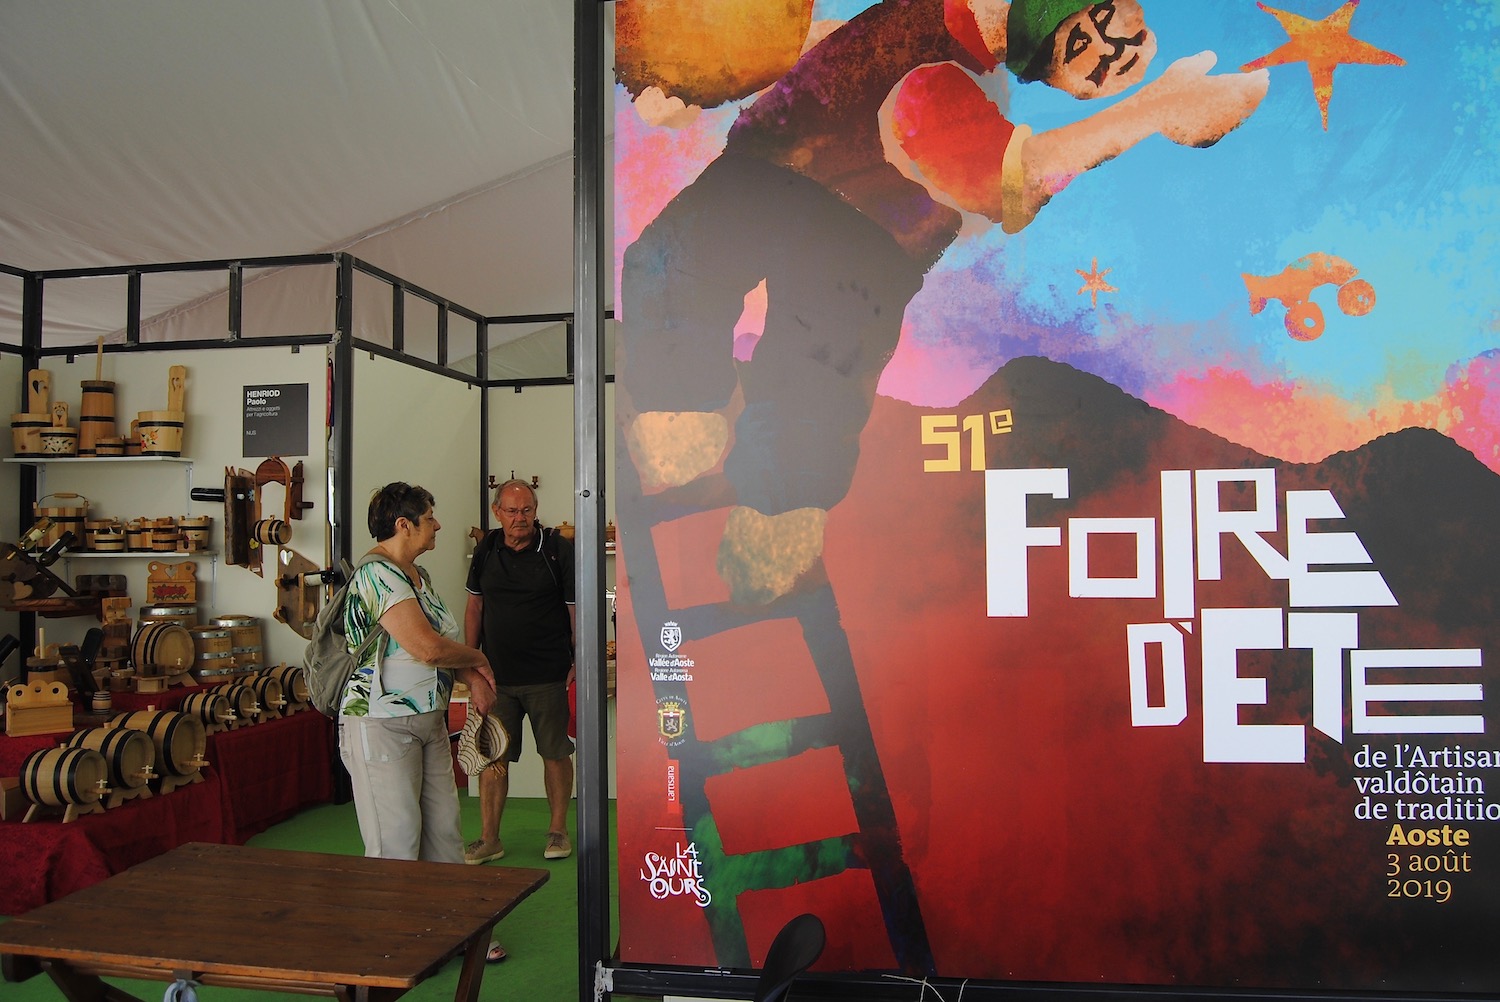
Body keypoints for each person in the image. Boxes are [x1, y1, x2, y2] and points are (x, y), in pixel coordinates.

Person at [619, 0, 1269, 603]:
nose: (1105, 54)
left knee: (810, 376)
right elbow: (826, 49)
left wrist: (1146, 113)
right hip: (778, 168)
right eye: (1094, 39)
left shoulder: (950, 77)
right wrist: (700, 78)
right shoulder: (927, 33)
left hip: (857, 233)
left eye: (1106, 57)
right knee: (678, 267)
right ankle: (687, 417)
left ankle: (771, 512)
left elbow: (1009, 178)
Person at [337, 482, 507, 961]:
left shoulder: (418, 575)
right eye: (430, 518)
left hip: (429, 721)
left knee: (444, 834)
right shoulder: (376, 574)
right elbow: (428, 648)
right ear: (403, 525)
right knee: (396, 838)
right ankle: (396, 947)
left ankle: (455, 933)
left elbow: (441, 643)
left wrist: (472, 678)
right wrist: (478, 659)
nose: (438, 525)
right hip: (379, 724)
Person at [463, 478, 577, 863]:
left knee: (555, 753)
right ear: (497, 512)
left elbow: (575, 610)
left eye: (527, 510)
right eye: (512, 511)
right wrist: (472, 665)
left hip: (549, 676)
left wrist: (578, 660)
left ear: (536, 511)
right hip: (497, 680)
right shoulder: (486, 549)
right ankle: (489, 838)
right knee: (493, 757)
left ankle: (558, 831)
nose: (520, 518)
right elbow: (474, 607)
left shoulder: (557, 549)